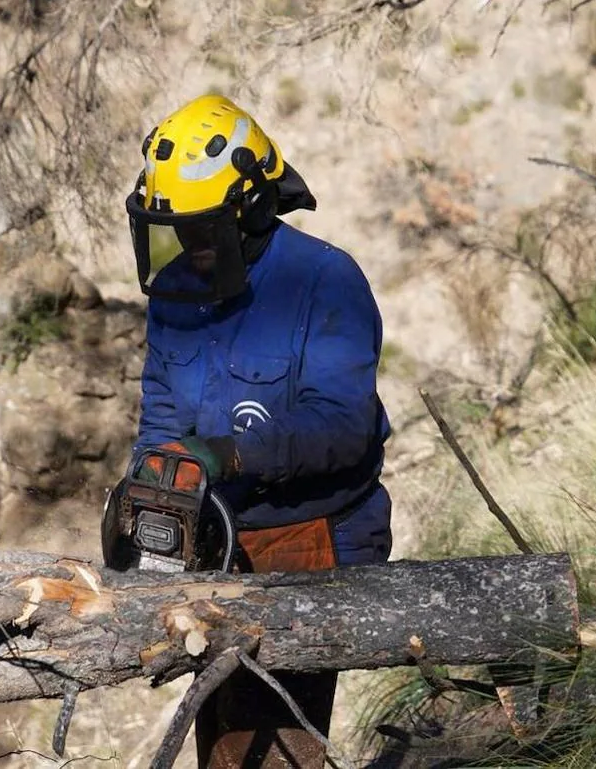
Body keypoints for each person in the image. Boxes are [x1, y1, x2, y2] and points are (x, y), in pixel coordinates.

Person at [122, 93, 393, 768]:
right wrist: (153, 480)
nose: (187, 245)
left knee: (268, 746)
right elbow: (160, 404)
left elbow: (344, 427)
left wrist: (227, 453)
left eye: (202, 228)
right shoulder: (179, 289)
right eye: (177, 228)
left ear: (247, 210)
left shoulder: (324, 280)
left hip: (310, 537)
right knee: (223, 734)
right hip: (215, 538)